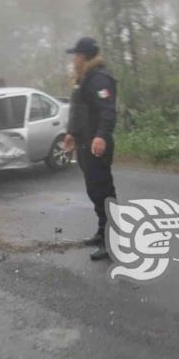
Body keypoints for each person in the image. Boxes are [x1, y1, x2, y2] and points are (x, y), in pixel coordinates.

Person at [63, 37, 117, 261]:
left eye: (76, 55)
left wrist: (101, 136)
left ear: (84, 56)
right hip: (85, 143)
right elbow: (78, 111)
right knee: (94, 191)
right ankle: (102, 232)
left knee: (103, 190)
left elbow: (108, 110)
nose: (73, 59)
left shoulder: (99, 79)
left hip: (96, 145)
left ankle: (113, 238)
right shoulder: (83, 78)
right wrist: (71, 134)